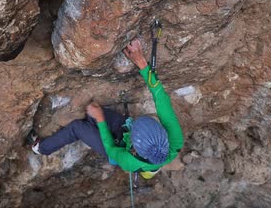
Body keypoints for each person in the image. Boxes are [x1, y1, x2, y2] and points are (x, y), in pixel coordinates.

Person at [28, 39, 183, 178]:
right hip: (125, 132)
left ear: (134, 150)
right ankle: (93, 123)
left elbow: (110, 148)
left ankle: (42, 148)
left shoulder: (128, 161)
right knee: (99, 118)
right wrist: (142, 63)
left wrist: (100, 120)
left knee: (77, 127)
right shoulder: (175, 140)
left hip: (115, 150)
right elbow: (160, 96)